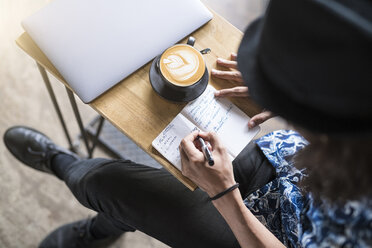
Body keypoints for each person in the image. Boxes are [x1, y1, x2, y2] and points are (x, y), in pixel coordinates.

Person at [4, 0, 372, 247]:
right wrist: (285, 93)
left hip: (274, 237)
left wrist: (225, 194)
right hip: (293, 171)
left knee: (102, 182)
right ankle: (112, 221)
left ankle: (66, 171)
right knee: (146, 180)